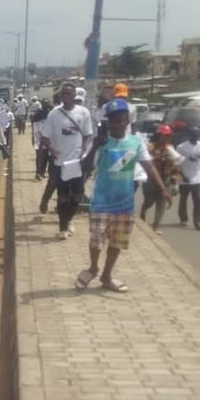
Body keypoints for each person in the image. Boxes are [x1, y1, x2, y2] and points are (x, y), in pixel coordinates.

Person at [74, 99, 171, 293]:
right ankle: (93, 268)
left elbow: (148, 166)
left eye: (121, 120)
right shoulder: (100, 142)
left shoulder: (136, 143)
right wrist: (95, 147)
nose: (118, 124)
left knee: (117, 242)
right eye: (114, 121)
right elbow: (84, 168)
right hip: (101, 203)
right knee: (96, 241)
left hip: (124, 204)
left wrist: (162, 189)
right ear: (108, 122)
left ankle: (107, 276)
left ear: (128, 121)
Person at [39, 82, 95, 239]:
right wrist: (51, 149)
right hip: (60, 163)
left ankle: (69, 219)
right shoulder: (54, 114)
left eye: (69, 94)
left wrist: (84, 151)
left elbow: (88, 135)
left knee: (77, 195)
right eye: (63, 94)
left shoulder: (83, 113)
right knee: (62, 197)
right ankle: (63, 227)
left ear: (74, 95)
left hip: (77, 162)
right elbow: (45, 137)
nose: (66, 97)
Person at [141, 125, 184, 233]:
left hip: (165, 180)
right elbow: (146, 162)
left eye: (169, 136)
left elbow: (176, 166)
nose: (167, 138)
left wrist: (174, 181)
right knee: (149, 202)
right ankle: (142, 217)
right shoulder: (150, 147)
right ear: (159, 135)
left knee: (161, 205)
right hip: (151, 180)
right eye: (165, 135)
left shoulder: (170, 149)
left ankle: (155, 228)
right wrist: (158, 156)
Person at [174, 127, 200, 231]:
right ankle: (183, 219)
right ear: (189, 135)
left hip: (199, 176)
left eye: (197, 135)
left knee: (199, 199)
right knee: (184, 199)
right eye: (193, 134)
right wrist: (182, 175)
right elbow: (177, 164)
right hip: (185, 176)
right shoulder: (181, 147)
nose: (196, 137)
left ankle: (198, 222)